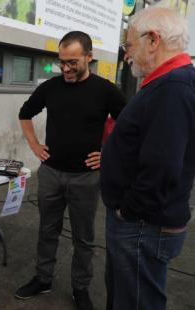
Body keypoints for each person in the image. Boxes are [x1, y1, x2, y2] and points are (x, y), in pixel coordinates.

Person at [16, 31, 127, 310]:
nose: (65, 68)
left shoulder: (106, 90)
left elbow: (128, 126)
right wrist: (34, 145)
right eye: (61, 62)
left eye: (73, 62)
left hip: (86, 179)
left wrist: (107, 154)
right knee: (47, 230)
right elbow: (25, 113)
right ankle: (43, 278)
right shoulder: (50, 87)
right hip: (51, 174)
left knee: (84, 238)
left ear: (89, 57)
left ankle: (81, 288)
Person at [100, 6, 194, 310]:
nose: (127, 55)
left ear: (153, 40)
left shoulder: (173, 88)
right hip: (142, 222)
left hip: (142, 224)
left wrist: (127, 212)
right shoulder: (169, 83)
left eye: (129, 45)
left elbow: (162, 168)